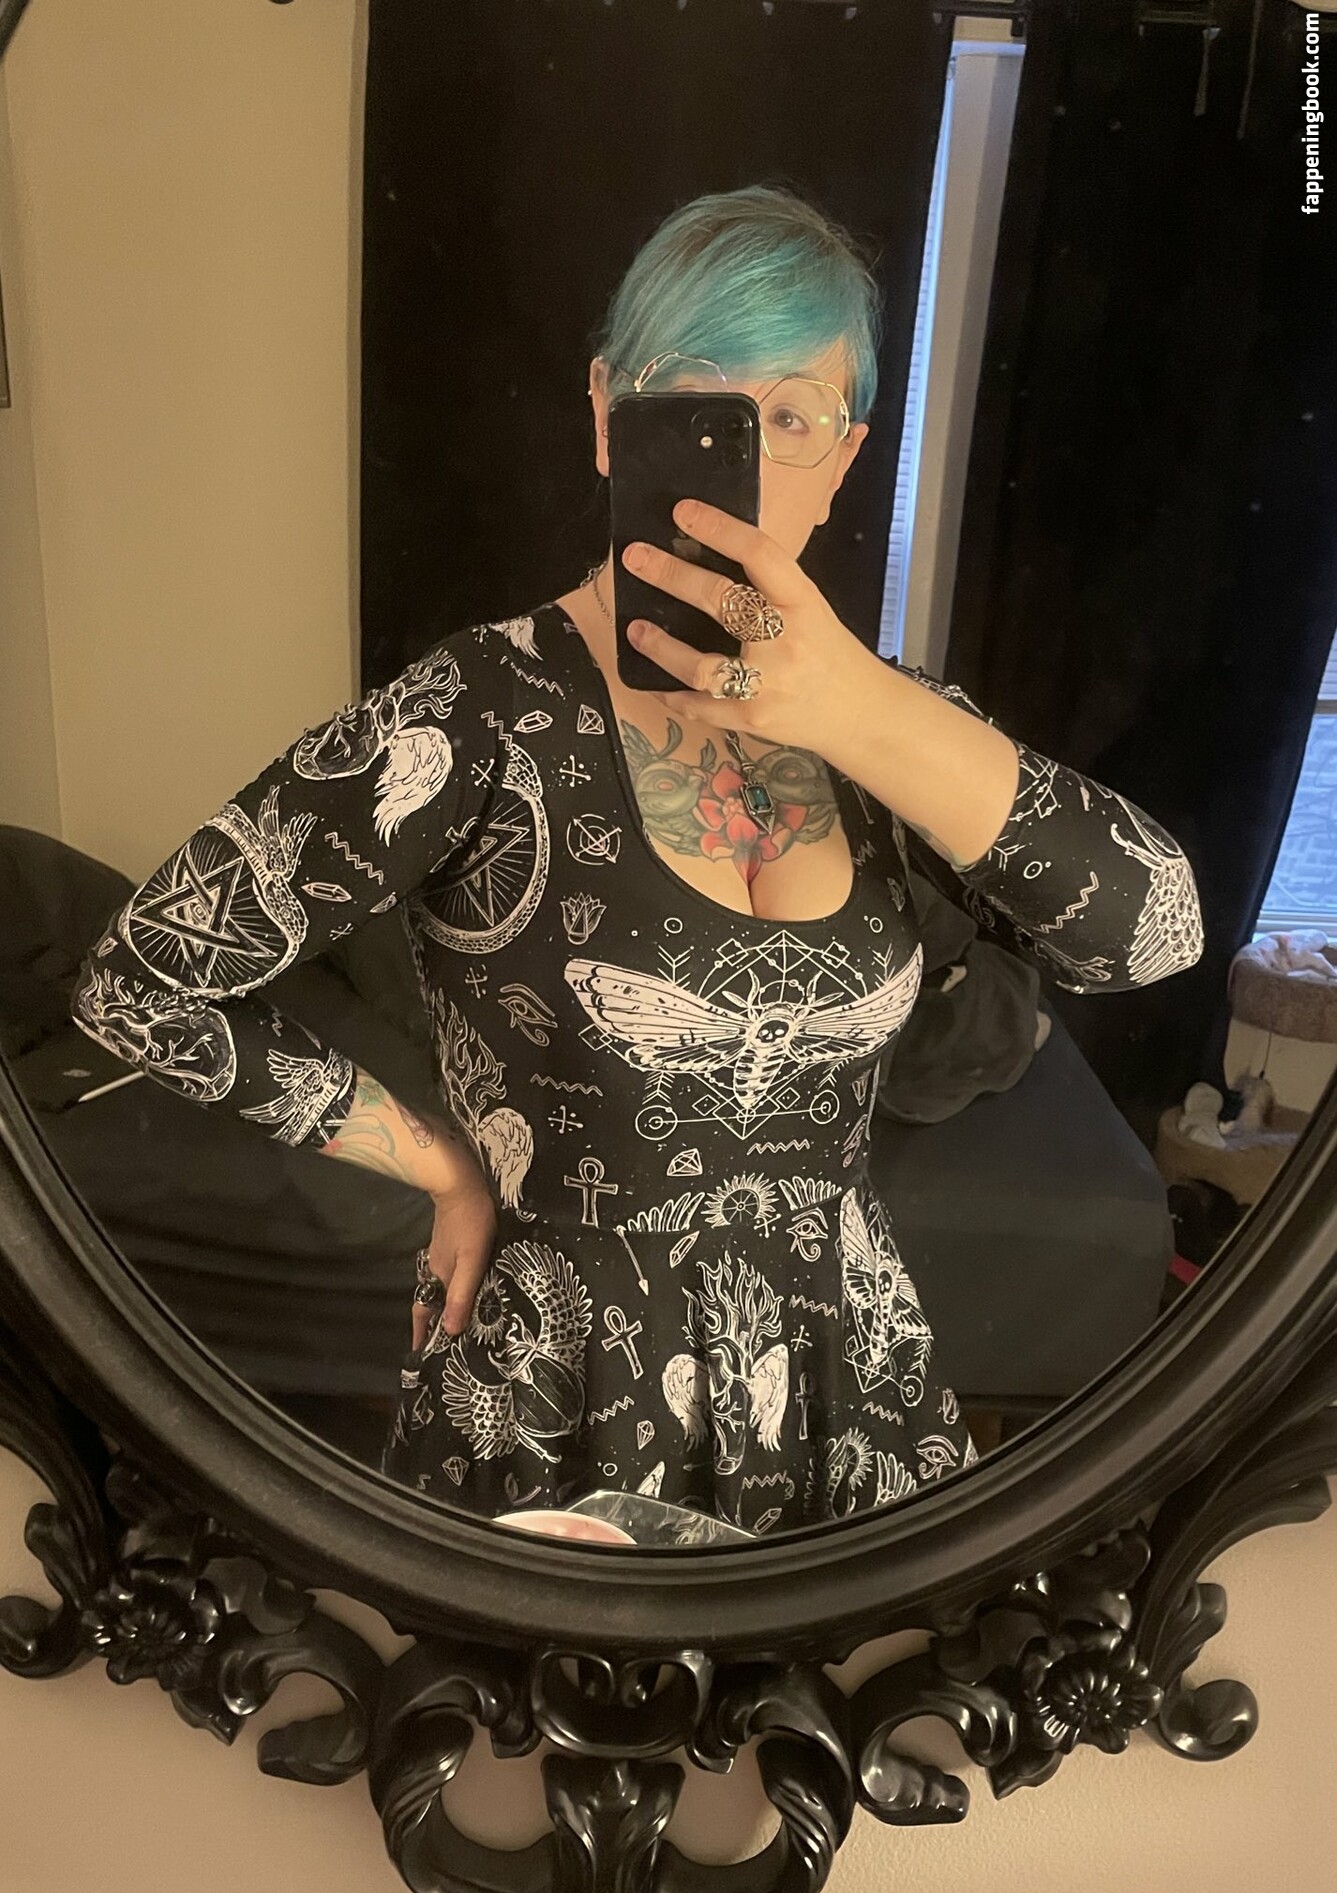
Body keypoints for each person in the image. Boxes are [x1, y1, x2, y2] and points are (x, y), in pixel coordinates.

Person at [72, 184, 1204, 1537]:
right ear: (609, 415)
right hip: (562, 1403)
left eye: (793, 419)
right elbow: (140, 982)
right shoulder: (471, 713)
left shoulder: (894, 732)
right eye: (698, 405)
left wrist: (857, 710)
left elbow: (1153, 935)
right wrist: (439, 1163)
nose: (749, 462)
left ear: (847, 459)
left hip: (853, 1393)